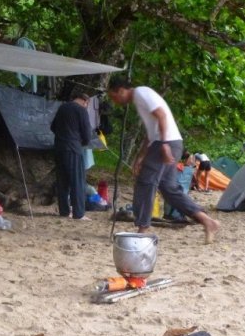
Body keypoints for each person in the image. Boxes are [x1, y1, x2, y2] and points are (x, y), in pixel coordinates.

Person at [106, 77, 220, 244]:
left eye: (113, 96)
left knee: (146, 182)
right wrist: (140, 156)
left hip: (165, 143)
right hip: (167, 142)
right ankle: (208, 222)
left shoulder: (141, 93)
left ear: (121, 90)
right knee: (169, 189)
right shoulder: (139, 99)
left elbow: (161, 115)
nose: (114, 101)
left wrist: (165, 144)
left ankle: (142, 230)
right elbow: (150, 132)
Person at [50, 92, 93, 220]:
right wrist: (81, 142)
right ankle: (79, 213)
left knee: (62, 181)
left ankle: (64, 211)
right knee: (77, 181)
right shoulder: (81, 111)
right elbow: (87, 134)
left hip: (59, 147)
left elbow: (53, 127)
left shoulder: (62, 108)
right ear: (85, 101)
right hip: (73, 148)